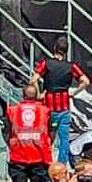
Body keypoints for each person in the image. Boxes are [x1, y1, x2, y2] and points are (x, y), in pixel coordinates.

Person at [4, 79, 53, 182]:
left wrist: (12, 144)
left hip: (18, 156)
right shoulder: (44, 111)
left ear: (22, 95)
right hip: (39, 156)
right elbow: (51, 132)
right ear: (36, 95)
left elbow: (6, 131)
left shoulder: (12, 111)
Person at [36, 37, 77, 165]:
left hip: (49, 108)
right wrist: (73, 92)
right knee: (64, 139)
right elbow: (85, 81)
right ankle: (61, 166)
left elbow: (33, 79)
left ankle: (46, 161)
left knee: (48, 136)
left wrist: (39, 94)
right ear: (66, 51)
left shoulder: (46, 63)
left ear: (54, 48)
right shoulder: (71, 66)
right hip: (64, 107)